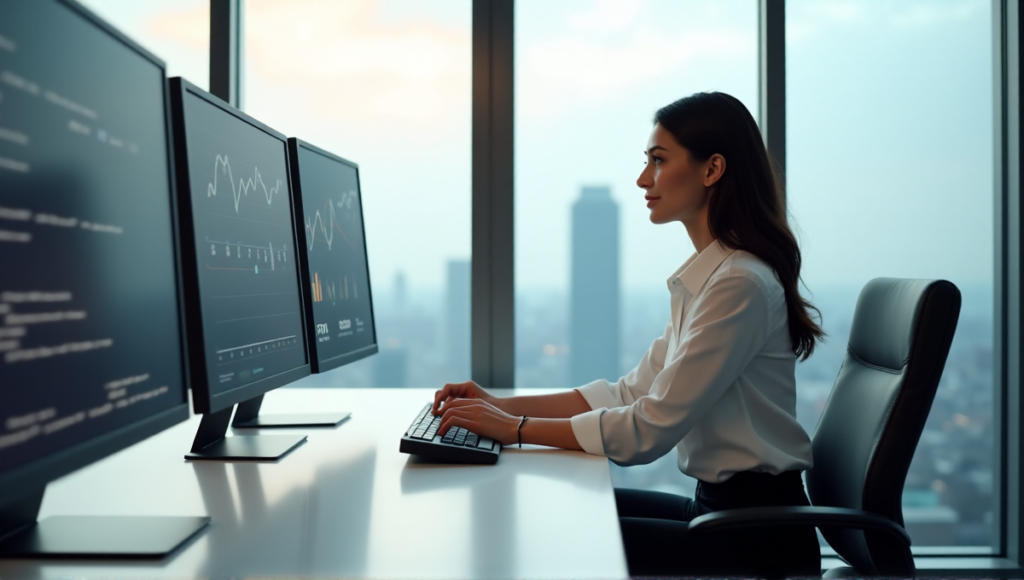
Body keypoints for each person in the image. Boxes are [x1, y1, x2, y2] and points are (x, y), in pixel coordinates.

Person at [431, 91, 823, 576]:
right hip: (724, 512)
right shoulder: (711, 278)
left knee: (562, 535)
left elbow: (648, 429)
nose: (643, 179)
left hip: (756, 539)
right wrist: (498, 406)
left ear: (711, 169)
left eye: (658, 161)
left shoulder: (738, 284)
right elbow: (628, 393)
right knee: (571, 512)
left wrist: (513, 431)